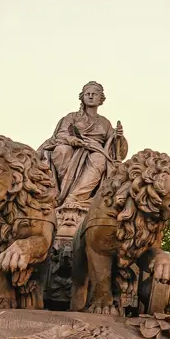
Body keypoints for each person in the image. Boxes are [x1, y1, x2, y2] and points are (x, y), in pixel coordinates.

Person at [40, 81, 127, 238]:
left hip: (96, 151)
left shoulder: (105, 123)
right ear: (82, 97)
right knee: (61, 150)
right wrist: (72, 140)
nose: (91, 96)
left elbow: (115, 149)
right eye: (88, 93)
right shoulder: (71, 117)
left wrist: (118, 137)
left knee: (99, 159)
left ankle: (75, 198)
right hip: (72, 147)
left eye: (95, 94)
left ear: (101, 99)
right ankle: (62, 195)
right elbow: (60, 134)